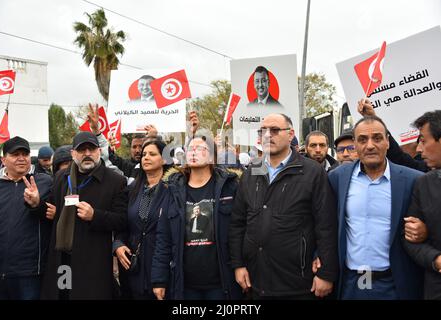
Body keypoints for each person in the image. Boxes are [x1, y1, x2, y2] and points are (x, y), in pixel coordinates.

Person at [229, 113, 338, 299]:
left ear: (290, 134)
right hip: (256, 282)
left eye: (275, 130)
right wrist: (238, 265)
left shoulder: (312, 172)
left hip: (298, 283)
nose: (267, 135)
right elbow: (238, 224)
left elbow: (326, 225)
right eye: (263, 130)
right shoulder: (250, 173)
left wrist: (326, 273)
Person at [328, 115, 423, 299]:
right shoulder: (337, 177)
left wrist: (424, 230)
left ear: (388, 141)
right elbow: (326, 223)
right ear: (355, 144)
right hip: (350, 283)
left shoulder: (413, 180)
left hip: (394, 283)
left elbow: (430, 222)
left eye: (377, 138)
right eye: (362, 139)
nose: (370, 145)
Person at [152, 135, 242, 300]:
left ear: (211, 156)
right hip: (185, 284)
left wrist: (240, 266)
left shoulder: (229, 187)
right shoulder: (172, 189)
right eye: (190, 149)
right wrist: (159, 279)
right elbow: (163, 237)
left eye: (200, 149)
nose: (194, 153)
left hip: (220, 282)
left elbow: (239, 231)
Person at [41, 131, 128, 300]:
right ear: (73, 153)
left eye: (91, 149)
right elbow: (50, 210)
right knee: (63, 295)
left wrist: (95, 215)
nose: (87, 154)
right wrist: (36, 204)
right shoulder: (61, 177)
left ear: (99, 151)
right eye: (82, 150)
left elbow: (123, 220)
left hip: (93, 263)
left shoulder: (115, 181)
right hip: (63, 260)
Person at [0, 136, 53, 299]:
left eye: (25, 154)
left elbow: (56, 215)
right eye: (15, 154)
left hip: (29, 273)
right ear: (3, 160)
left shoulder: (45, 181)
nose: (21, 158)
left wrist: (38, 204)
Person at [114, 138, 170, 299]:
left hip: (162, 269)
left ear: (164, 159)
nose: (146, 157)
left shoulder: (172, 189)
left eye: (152, 154)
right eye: (144, 154)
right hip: (134, 271)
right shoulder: (132, 189)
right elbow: (124, 224)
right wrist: (118, 245)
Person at [403, 110, 441, 299]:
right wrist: (436, 259)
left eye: (424, 141)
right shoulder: (423, 183)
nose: (419, 149)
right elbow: (411, 242)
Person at [358, 98, 429, 172]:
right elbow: (399, 159)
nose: (418, 149)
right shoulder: (423, 169)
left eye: (424, 141)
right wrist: (373, 119)